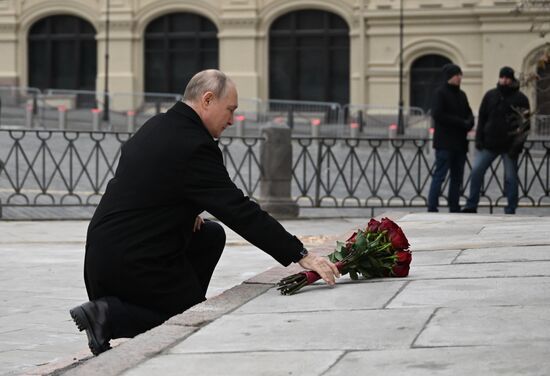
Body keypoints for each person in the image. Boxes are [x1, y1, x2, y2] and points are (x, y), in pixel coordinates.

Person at [69, 69, 340, 356]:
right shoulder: (194, 145)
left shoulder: (158, 125)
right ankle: (107, 315)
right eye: (230, 110)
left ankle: (180, 299)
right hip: (133, 263)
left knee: (210, 234)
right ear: (208, 100)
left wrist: (184, 208)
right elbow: (238, 210)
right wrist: (300, 254)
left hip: (104, 253)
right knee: (192, 320)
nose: (232, 120)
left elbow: (150, 182)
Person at [462, 66, 530, 214]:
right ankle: (471, 204)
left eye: (507, 78)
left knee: (511, 178)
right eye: (502, 77)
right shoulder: (490, 95)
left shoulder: (521, 98)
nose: (504, 80)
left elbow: (525, 126)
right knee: (476, 172)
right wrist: (479, 139)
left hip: (509, 146)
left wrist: (516, 147)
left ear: (512, 80)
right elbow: (482, 118)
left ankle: (511, 208)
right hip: (489, 144)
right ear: (499, 78)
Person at [427, 63, 475, 212]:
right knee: (440, 175)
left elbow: (469, 112)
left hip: (460, 143)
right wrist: (462, 122)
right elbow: (438, 115)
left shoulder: (462, 94)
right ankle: (432, 206)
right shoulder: (440, 93)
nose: (460, 78)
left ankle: (454, 205)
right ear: (450, 76)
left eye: (460, 75)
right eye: (457, 75)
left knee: (457, 177)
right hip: (444, 143)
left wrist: (469, 122)